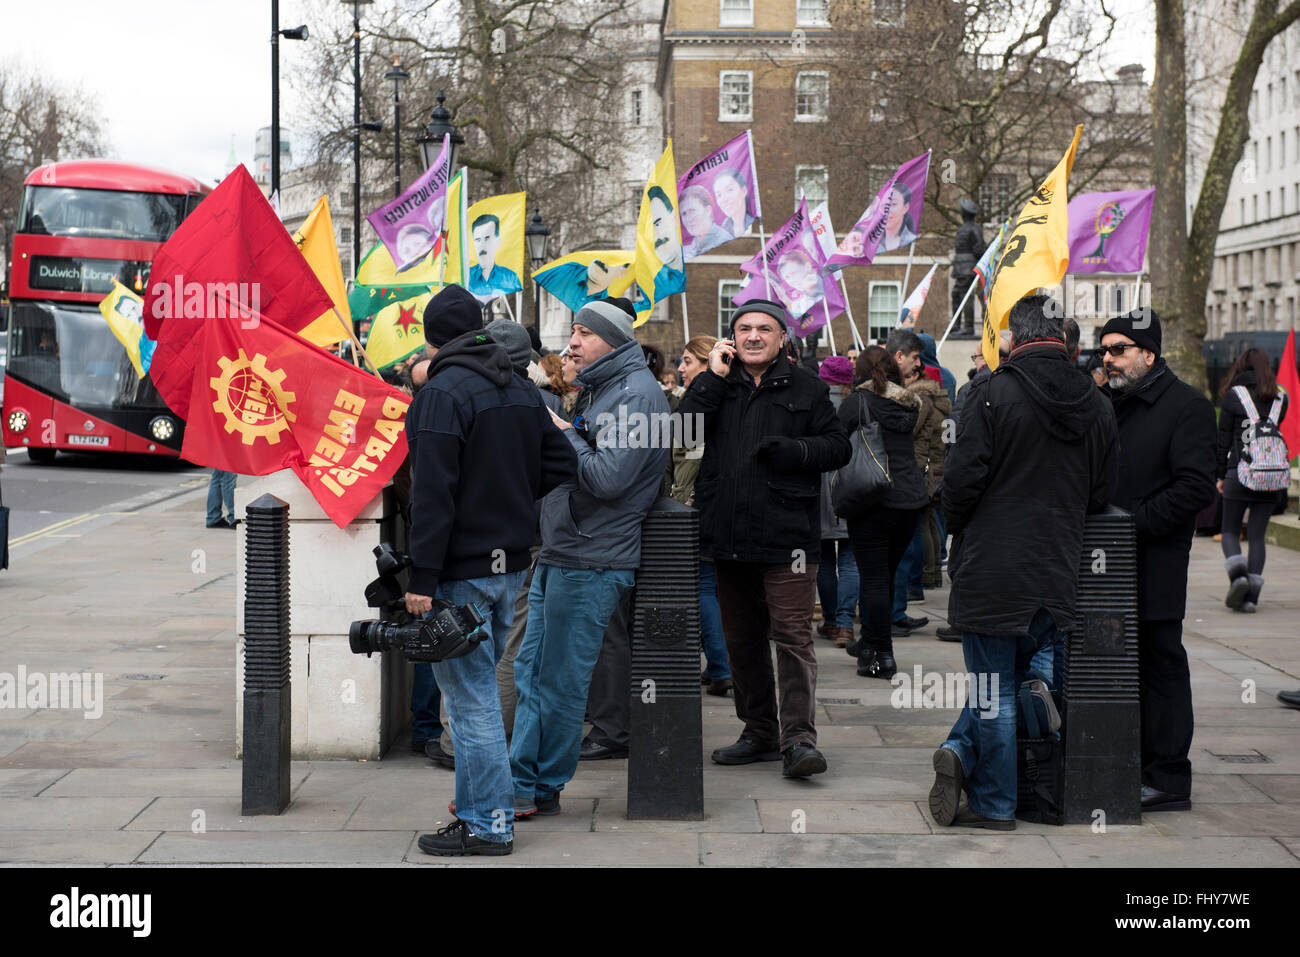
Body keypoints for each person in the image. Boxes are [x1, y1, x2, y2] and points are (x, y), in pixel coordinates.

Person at [930, 294, 1119, 830]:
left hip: (993, 566)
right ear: (1064, 339)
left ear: (1014, 338)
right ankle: (970, 760)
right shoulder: (1096, 401)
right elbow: (1103, 489)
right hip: (1056, 567)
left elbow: (960, 484)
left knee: (993, 687)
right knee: (1015, 678)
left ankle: (995, 804)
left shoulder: (990, 391)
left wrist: (960, 529)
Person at [405, 285, 578, 856]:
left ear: (433, 339)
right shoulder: (521, 388)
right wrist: (510, 500)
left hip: (464, 570)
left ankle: (489, 824)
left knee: (471, 701)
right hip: (511, 564)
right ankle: (478, 812)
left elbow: (432, 495)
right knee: (477, 690)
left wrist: (421, 582)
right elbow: (563, 462)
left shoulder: (442, 392)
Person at [679, 299, 850, 777]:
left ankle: (799, 740)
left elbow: (839, 447)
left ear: (781, 339)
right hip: (727, 534)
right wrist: (710, 377)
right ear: (732, 338)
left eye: (764, 329)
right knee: (741, 639)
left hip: (788, 538)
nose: (754, 336)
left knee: (793, 637)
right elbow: (683, 432)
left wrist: (796, 450)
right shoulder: (716, 385)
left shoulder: (809, 389)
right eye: (744, 329)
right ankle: (758, 731)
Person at [511, 300, 669, 808]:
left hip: (593, 557)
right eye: (574, 331)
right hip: (565, 551)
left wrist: (563, 435)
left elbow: (607, 477)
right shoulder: (604, 389)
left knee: (558, 681)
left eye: (582, 333)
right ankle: (523, 783)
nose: (571, 342)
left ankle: (535, 787)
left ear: (614, 341)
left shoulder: (638, 395)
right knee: (531, 673)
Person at [1100, 308, 1216, 813]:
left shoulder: (1188, 406)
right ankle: (1127, 762)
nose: (1108, 359)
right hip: (1103, 562)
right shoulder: (1106, 402)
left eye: (1119, 349)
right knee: (1115, 669)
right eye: (1105, 350)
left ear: (1149, 354)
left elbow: (1194, 487)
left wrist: (1131, 522)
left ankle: (1168, 777)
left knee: (1161, 664)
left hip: (1155, 562)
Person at [839, 346, 930, 678]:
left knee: (874, 578)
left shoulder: (858, 402)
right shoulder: (908, 403)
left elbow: (836, 441)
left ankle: (881, 656)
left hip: (873, 499)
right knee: (885, 577)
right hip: (910, 502)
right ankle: (870, 642)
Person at [671, 335, 732, 695]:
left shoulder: (706, 401)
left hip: (697, 507)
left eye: (687, 361)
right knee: (711, 587)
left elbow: (688, 458)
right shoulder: (700, 398)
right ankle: (720, 664)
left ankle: (722, 666)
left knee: (703, 587)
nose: (680, 368)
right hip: (705, 505)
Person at [1215, 347, 1290, 612]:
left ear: (1240, 366)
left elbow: (1223, 439)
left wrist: (1219, 475)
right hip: (1270, 475)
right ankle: (1251, 598)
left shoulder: (1233, 396)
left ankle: (1239, 578)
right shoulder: (1281, 397)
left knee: (1230, 531)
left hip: (1239, 471)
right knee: (1257, 536)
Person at [882, 329, 931, 634]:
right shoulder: (885, 394)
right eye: (915, 358)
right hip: (888, 488)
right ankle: (886, 618)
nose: (918, 366)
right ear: (899, 356)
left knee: (902, 556)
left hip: (904, 486)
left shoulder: (900, 390)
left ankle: (895, 612)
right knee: (890, 559)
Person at [815, 355, 859, 649]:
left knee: (824, 562)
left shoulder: (813, 402)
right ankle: (845, 624)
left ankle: (831, 620)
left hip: (817, 490)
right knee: (850, 560)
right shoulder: (857, 404)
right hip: (852, 486)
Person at [950, 198, 986, 338]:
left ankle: (968, 327)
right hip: (960, 267)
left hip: (967, 266)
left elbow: (978, 248)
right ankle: (956, 326)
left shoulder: (975, 229)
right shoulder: (963, 228)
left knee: (965, 296)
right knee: (956, 294)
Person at [468, 213, 523, 301]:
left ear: (498, 242)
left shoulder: (510, 278)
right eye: (478, 240)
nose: (482, 245)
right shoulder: (466, 278)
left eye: (487, 239)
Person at [680, 185, 732, 258]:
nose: (688, 219)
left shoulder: (725, 241)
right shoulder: (687, 250)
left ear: (708, 210)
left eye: (692, 211)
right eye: (684, 214)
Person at [775, 247, 822, 319]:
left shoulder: (825, 286)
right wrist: (787, 302)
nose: (792, 280)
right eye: (787, 277)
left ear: (807, 266)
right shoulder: (802, 302)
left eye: (793, 273)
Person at [713, 168, 754, 238]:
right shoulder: (722, 233)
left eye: (729, 190)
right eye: (719, 195)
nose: (724, 200)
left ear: (743, 191)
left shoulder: (755, 219)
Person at [880, 183, 918, 252]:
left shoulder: (910, 239)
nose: (887, 210)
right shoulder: (874, 243)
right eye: (885, 204)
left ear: (905, 207)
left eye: (894, 204)